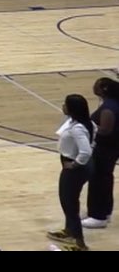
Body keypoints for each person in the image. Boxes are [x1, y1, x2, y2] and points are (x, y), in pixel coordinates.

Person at [47, 94, 95, 250]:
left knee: (69, 203)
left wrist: (75, 164)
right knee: (68, 201)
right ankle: (69, 231)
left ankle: (79, 243)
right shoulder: (81, 123)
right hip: (78, 167)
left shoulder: (78, 128)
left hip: (75, 170)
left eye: (65, 104)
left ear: (72, 108)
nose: (63, 106)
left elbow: (86, 152)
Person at [83, 78, 119, 230]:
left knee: (99, 179)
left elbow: (106, 130)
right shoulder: (112, 103)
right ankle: (105, 211)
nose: (93, 86)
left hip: (105, 148)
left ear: (104, 88)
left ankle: (98, 216)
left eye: (96, 84)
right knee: (105, 178)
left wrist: (88, 126)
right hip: (111, 147)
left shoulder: (109, 107)